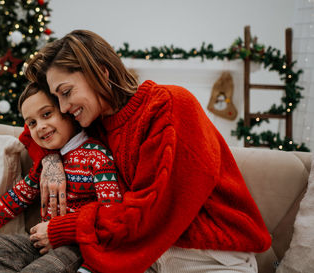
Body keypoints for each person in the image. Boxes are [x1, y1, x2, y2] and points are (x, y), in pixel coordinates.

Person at [18, 30, 271, 273]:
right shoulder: (94, 122)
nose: (62, 107)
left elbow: (150, 211)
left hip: (209, 256)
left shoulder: (168, 106)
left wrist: (66, 228)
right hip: (141, 256)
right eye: (56, 98)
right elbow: (31, 133)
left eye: (66, 92)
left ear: (101, 73)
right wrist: (51, 161)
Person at [0, 82, 122, 273]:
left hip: (77, 248)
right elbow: (17, 197)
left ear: (67, 112)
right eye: (32, 123)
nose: (40, 127)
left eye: (46, 114)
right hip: (41, 246)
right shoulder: (45, 164)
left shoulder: (97, 156)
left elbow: (110, 212)